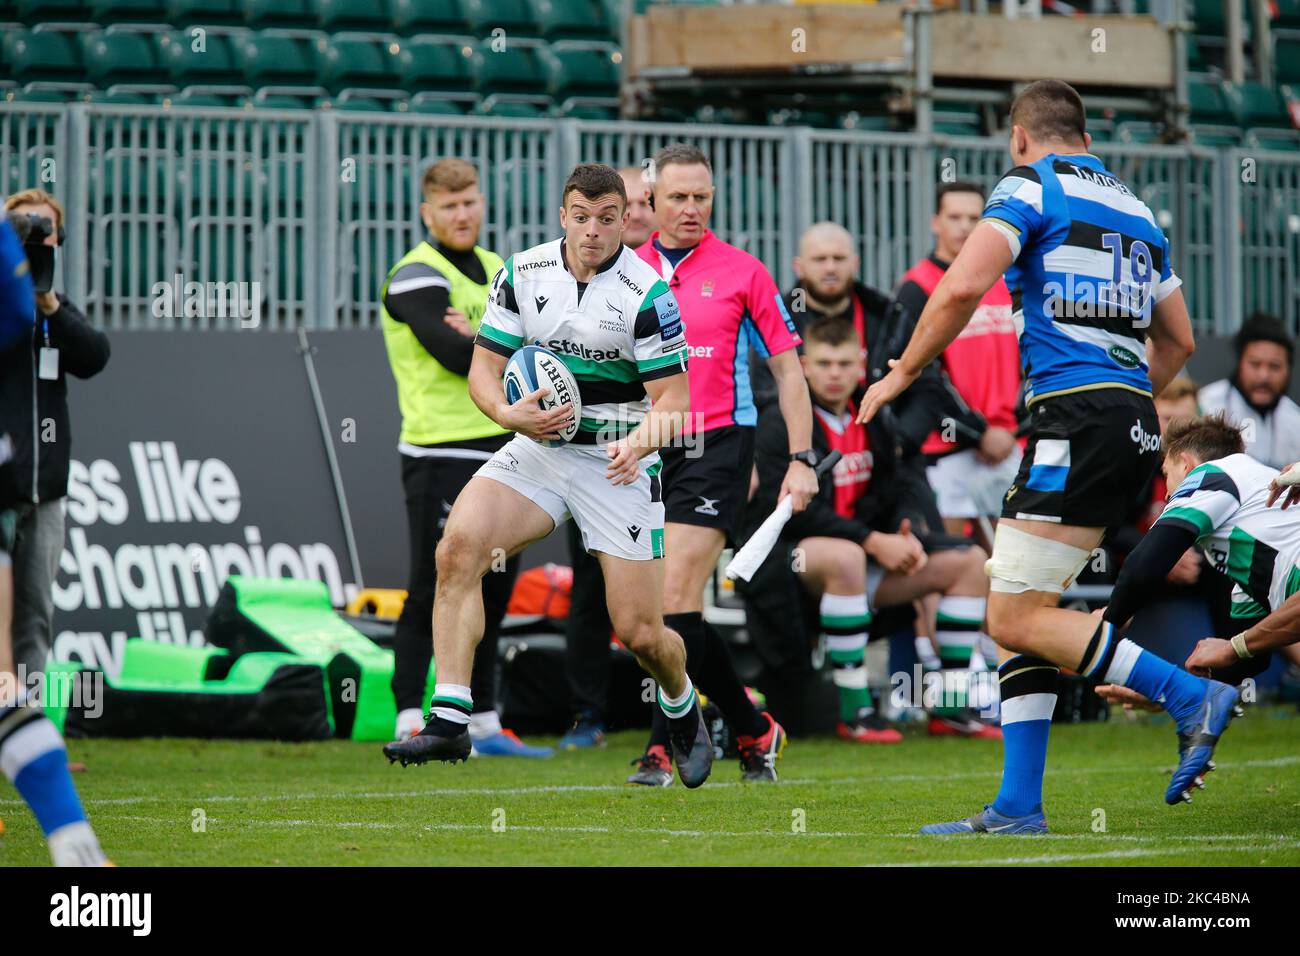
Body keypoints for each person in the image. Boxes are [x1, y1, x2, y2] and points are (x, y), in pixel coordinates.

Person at [859, 79, 1239, 831]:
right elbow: (1182, 341)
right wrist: (1126, 399)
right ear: (1087, 138)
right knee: (1027, 607)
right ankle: (1017, 805)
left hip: (1077, 419)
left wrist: (900, 372)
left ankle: (1190, 695)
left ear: (1020, 138)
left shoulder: (1029, 186)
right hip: (1131, 422)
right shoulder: (1135, 208)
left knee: (1013, 614)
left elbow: (965, 285)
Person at [382, 163, 716, 788]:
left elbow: (675, 403)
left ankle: (680, 702)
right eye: (581, 218)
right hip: (537, 448)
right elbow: (485, 369)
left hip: (616, 461)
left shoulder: (647, 294)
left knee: (640, 631)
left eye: (607, 219)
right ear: (563, 216)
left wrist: (638, 445)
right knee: (456, 550)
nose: (593, 231)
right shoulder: (523, 272)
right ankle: (452, 718)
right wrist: (507, 413)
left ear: (625, 221)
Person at [623, 143, 817, 786]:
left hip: (718, 443)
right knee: (649, 615)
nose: (690, 208)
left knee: (675, 598)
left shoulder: (744, 271)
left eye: (701, 197)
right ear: (650, 202)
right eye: (677, 197)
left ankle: (666, 741)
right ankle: (750, 725)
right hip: (642, 446)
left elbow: (790, 372)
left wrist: (800, 458)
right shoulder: (622, 271)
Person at [747, 317, 997, 742]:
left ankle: (953, 707)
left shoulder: (873, 415)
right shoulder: (780, 423)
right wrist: (872, 541)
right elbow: (795, 513)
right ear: (804, 366)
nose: (835, 374)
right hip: (794, 567)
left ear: (861, 365)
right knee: (845, 556)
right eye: (824, 364)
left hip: (867, 558)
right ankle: (856, 711)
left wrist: (904, 528)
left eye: (845, 363)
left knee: (970, 561)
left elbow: (897, 481)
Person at [380, 159, 550, 758]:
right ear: (427, 211)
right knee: (434, 580)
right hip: (439, 448)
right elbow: (453, 355)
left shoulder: (500, 268)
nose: (462, 214)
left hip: (505, 441)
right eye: (449, 205)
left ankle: (483, 718)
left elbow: (540, 343)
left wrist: (483, 338)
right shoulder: (413, 275)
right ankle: (408, 714)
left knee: (498, 582)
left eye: (470, 202)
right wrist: (497, 342)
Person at [0, 215, 108, 866]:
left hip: (37, 488)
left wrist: (51, 304)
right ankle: (78, 852)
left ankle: (76, 850)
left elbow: (94, 356)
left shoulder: (46, 303)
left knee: (30, 631)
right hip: (7, 480)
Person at [1095, 417, 1298, 730]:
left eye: (1167, 477)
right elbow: (1246, 660)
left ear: (1186, 465)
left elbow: (1144, 565)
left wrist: (1108, 624)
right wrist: (1165, 690)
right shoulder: (1253, 523)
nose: (1166, 495)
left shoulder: (1210, 476)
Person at [555, 164, 660, 750]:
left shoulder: (662, 281)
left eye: (644, 203)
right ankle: (588, 714)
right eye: (584, 214)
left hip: (678, 444)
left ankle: (671, 720)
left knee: (661, 603)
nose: (638, 213)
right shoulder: (557, 271)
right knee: (590, 587)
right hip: (590, 450)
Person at [0, 189, 110, 689]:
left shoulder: (55, 310)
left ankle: (29, 727)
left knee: (34, 620)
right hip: (2, 489)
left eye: (45, 229)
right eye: (23, 226)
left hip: (46, 498)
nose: (36, 236)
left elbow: (94, 356)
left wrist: (48, 306)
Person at [896, 181, 1022, 549]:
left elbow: (1030, 365)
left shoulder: (1006, 282)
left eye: (974, 218)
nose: (965, 227)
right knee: (954, 563)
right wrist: (978, 432)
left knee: (1009, 569)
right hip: (949, 448)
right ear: (936, 222)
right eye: (954, 217)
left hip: (1008, 443)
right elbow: (922, 375)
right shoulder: (917, 286)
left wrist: (1008, 431)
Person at [1197, 313, 1300, 470]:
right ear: (1240, 363)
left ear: (1288, 369)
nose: (1263, 376)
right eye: (1255, 364)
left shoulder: (1295, 420)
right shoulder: (1207, 405)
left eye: (1274, 366)